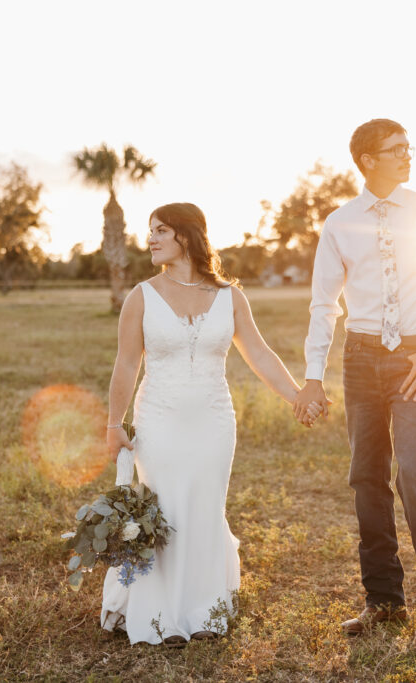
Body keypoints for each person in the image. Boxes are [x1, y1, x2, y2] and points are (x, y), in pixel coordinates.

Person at [101, 202, 322, 647]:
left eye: (160, 230)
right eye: (150, 231)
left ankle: (204, 611)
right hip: (158, 419)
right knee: (164, 507)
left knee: (203, 507)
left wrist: (297, 394)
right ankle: (159, 612)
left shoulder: (230, 296)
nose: (151, 239)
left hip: (214, 422)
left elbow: (259, 353)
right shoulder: (140, 296)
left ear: (186, 236)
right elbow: (126, 365)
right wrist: (113, 423)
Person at [293, 119, 416, 648]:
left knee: (414, 473)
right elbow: (323, 304)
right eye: (395, 150)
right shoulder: (340, 223)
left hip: (415, 356)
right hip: (361, 357)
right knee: (366, 477)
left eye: (408, 148)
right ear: (367, 160)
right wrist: (312, 377)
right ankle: (384, 601)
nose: (407, 156)